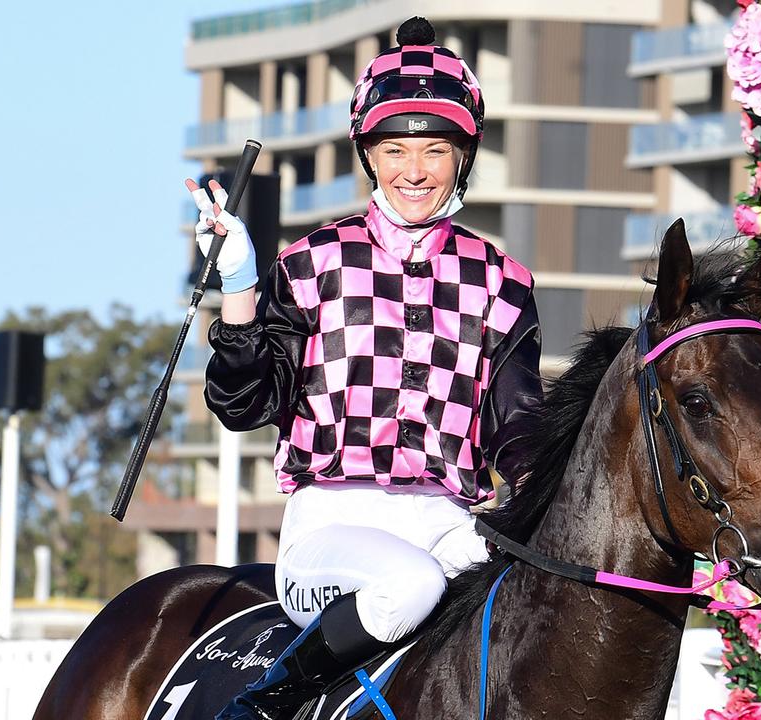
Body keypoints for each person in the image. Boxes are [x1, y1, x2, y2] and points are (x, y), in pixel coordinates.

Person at [188, 17, 543, 720]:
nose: (416, 171)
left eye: (436, 150)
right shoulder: (310, 264)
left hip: (448, 521)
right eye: (395, 149)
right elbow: (244, 406)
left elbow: (519, 422)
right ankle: (265, 703)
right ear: (368, 155)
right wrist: (238, 292)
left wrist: (544, 492)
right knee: (407, 586)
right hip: (329, 525)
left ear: (462, 158)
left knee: (542, 586)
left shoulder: (503, 280)